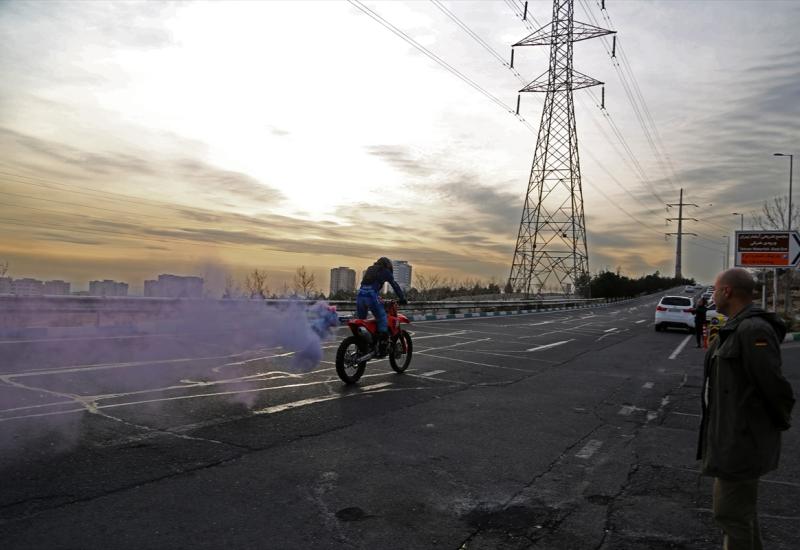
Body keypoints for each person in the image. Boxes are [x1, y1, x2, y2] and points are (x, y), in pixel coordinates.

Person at [696, 268, 794, 550]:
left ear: (727, 291)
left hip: (741, 440)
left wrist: (774, 424)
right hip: (730, 436)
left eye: (715, 289)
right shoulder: (735, 327)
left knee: (730, 515)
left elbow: (774, 387)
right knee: (740, 514)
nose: (712, 294)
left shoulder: (752, 330)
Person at [356, 257, 407, 357]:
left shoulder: (370, 269)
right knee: (382, 318)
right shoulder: (385, 271)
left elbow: (368, 285)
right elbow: (395, 285)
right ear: (387, 265)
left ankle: (363, 347)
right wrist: (402, 298)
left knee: (362, 322)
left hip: (360, 296)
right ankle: (382, 348)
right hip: (371, 297)